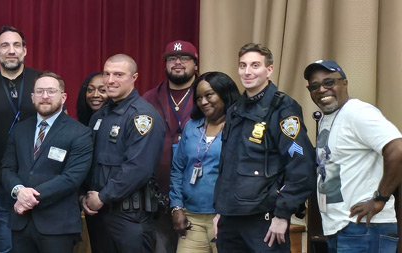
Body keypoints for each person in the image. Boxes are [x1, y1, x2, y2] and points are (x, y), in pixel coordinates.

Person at [214, 43, 315, 252]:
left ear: (269, 70)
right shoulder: (234, 111)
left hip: (264, 220)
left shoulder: (283, 109)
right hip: (230, 219)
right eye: (242, 66)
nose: (247, 72)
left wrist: (282, 214)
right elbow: (227, 167)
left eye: (255, 65)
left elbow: (301, 166)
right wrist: (221, 211)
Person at [304, 59, 402, 252]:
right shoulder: (327, 118)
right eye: (314, 86)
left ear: (344, 83)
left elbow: (397, 150)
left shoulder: (358, 112)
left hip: (364, 228)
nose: (322, 89)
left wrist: (380, 198)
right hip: (340, 228)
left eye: (329, 82)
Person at [1, 72, 94, 253]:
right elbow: (7, 168)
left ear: (63, 96)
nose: (45, 96)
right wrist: (19, 191)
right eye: (40, 91)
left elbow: (71, 178)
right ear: (32, 97)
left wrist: (28, 199)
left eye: (51, 91)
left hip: (58, 226)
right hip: (21, 224)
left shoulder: (80, 133)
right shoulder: (20, 130)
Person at [82, 54, 165, 253]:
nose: (110, 80)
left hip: (129, 217)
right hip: (99, 215)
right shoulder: (99, 116)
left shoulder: (142, 116)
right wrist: (83, 197)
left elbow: (138, 168)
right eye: (107, 74)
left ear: (134, 77)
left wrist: (102, 197)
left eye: (118, 74)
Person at [0, 26, 43, 253]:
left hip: (34, 182)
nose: (11, 50)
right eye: (5, 45)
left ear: (25, 50)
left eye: (16, 45)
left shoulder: (41, 82)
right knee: (1, 246)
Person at [168, 72, 240, 253]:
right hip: (192, 217)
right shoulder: (192, 126)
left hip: (227, 217)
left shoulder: (239, 127)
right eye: (199, 97)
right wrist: (176, 206)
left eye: (209, 95)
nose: (203, 102)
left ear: (225, 93)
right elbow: (177, 168)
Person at [142, 41, 200, 253]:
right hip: (159, 196)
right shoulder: (149, 98)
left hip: (199, 197)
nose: (177, 62)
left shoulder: (207, 96)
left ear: (195, 64)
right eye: (171, 58)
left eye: (184, 58)